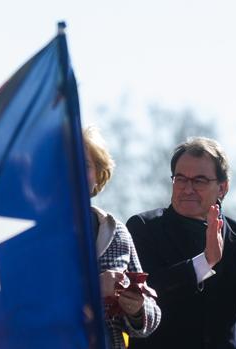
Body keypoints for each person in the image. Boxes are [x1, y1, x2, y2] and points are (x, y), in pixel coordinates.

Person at [126, 136, 236, 349]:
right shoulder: (144, 228)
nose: (188, 188)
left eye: (199, 180)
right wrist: (205, 262)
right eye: (181, 179)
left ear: (222, 188)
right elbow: (147, 291)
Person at [83, 126, 161, 349]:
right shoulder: (34, 233)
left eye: (85, 165)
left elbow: (152, 315)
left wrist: (137, 309)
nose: (74, 169)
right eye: (65, 163)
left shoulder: (115, 231)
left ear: (98, 176)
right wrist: (94, 290)